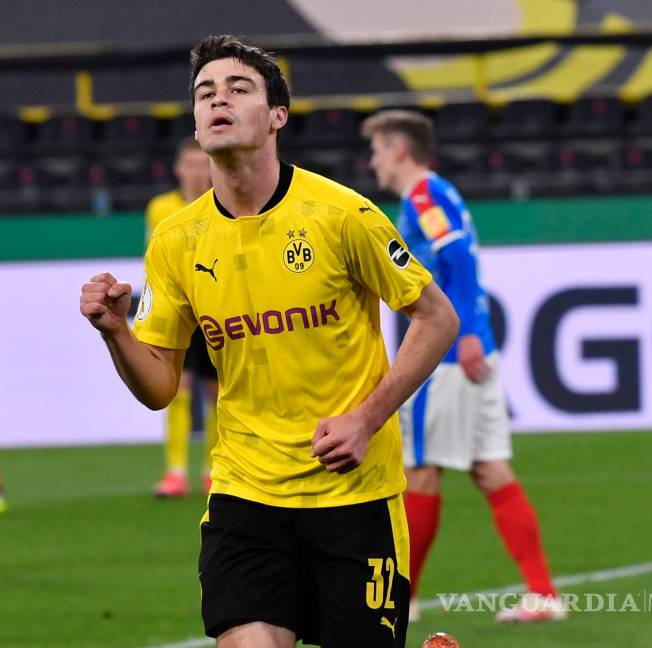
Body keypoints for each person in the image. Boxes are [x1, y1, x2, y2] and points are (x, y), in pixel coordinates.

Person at [80, 35, 458, 647]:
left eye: (238, 89)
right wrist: (116, 333)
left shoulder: (342, 215)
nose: (218, 100)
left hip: (354, 494)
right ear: (196, 121)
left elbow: (437, 318)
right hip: (245, 495)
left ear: (277, 115)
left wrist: (365, 420)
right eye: (205, 92)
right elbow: (159, 389)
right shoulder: (175, 240)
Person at [362, 109, 566, 623]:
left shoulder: (424, 197)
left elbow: (459, 261)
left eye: (378, 150)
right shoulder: (436, 194)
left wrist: (467, 331)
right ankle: (542, 594)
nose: (373, 162)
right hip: (467, 348)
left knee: (420, 471)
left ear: (400, 150)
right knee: (488, 468)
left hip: (445, 356)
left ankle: (401, 601)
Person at [145, 137, 218, 497]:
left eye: (203, 164)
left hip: (216, 307)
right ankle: (175, 472)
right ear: (178, 169)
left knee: (218, 392)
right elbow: (154, 258)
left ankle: (213, 470)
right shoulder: (160, 208)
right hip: (178, 309)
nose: (197, 172)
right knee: (177, 387)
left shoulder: (223, 204)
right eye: (190, 164)